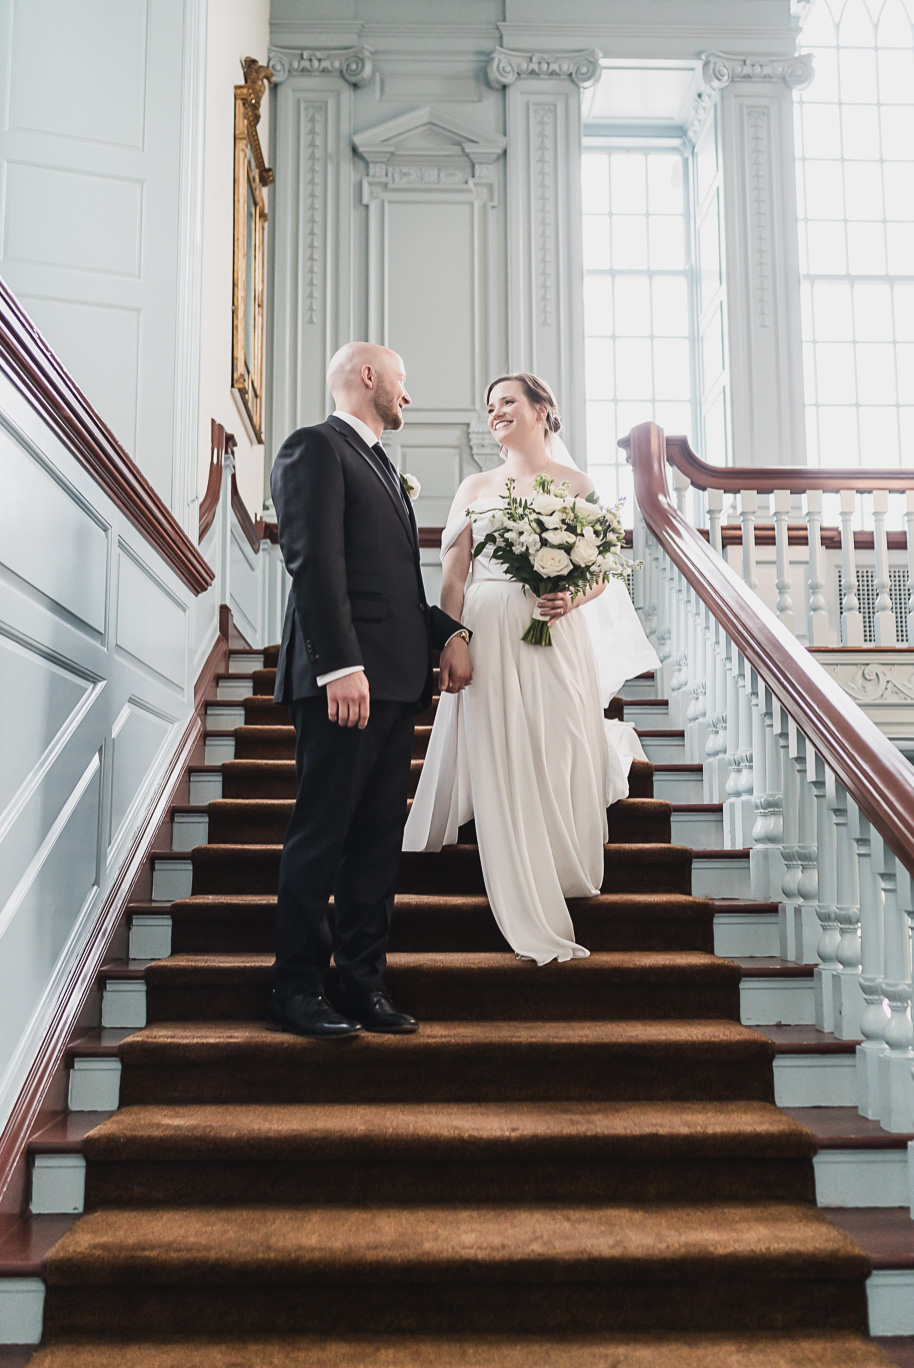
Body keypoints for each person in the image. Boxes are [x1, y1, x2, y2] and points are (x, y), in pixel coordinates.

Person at [403, 372, 659, 964]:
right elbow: (454, 574)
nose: (496, 413)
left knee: (564, 736)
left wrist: (572, 597)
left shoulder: (578, 484)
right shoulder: (476, 484)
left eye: (508, 402)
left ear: (542, 408)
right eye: (490, 407)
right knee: (508, 744)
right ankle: (517, 862)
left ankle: (560, 848)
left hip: (556, 631)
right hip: (489, 629)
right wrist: (453, 638)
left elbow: (601, 568)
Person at [270, 342, 472, 1038]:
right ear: (367, 376)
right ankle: (296, 987)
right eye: (401, 381)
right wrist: (337, 666)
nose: (407, 396)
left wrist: (445, 633)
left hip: (390, 683)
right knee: (322, 834)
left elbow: (394, 587)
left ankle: (361, 983)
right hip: (344, 681)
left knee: (377, 842)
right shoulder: (316, 449)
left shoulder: (383, 466)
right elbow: (314, 562)